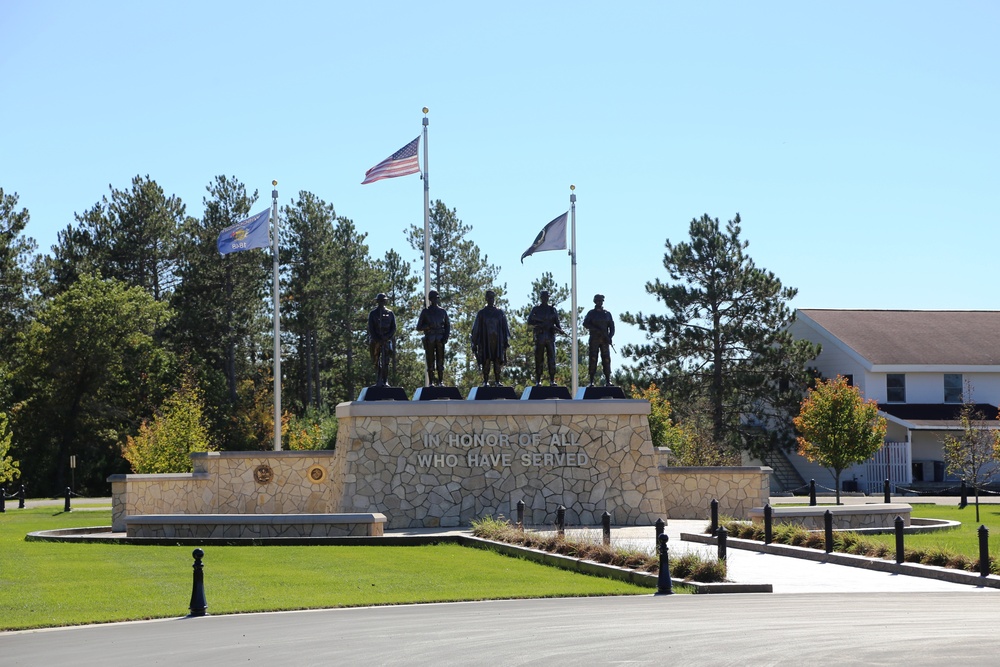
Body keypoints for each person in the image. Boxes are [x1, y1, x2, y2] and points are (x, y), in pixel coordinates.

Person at [470, 289, 511, 386]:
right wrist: (474, 342)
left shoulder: (499, 313)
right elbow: (476, 329)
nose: (491, 299)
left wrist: (505, 340)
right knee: (486, 361)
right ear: (486, 298)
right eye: (489, 297)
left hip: (497, 341)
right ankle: (485, 381)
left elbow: (505, 328)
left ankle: (497, 381)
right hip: (485, 341)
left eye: (492, 297)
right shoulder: (482, 313)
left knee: (497, 361)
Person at [527, 290, 564, 385]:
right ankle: (538, 380)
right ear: (541, 298)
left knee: (551, 359)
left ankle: (552, 380)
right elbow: (530, 320)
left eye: (547, 297)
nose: (545, 298)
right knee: (539, 359)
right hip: (540, 336)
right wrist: (540, 323)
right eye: (544, 297)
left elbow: (556, 322)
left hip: (550, 337)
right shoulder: (536, 309)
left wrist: (560, 330)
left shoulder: (552, 310)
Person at [415, 290, 450, 386]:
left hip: (440, 338)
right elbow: (418, 327)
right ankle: (431, 382)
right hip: (430, 338)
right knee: (430, 360)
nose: (435, 300)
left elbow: (447, 325)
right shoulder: (425, 312)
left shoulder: (442, 311)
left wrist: (445, 337)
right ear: (430, 299)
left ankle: (440, 381)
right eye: (433, 298)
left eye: (436, 298)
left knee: (440, 360)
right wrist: (427, 327)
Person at [583, 293, 614, 386]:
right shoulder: (591, 313)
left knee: (606, 359)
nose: (599, 302)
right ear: (595, 302)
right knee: (593, 359)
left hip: (604, 340)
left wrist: (610, 337)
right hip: (594, 339)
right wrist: (596, 330)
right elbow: (585, 324)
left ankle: (608, 380)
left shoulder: (607, 314)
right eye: (598, 301)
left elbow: (612, 327)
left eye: (601, 301)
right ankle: (591, 381)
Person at [367, 293, 396, 386]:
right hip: (375, 340)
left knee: (386, 361)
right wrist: (377, 339)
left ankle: (385, 380)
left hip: (386, 340)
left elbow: (393, 328)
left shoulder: (390, 313)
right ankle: (378, 380)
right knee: (376, 360)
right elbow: (371, 328)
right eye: (380, 301)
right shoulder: (373, 313)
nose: (382, 302)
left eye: (383, 300)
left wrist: (387, 337)